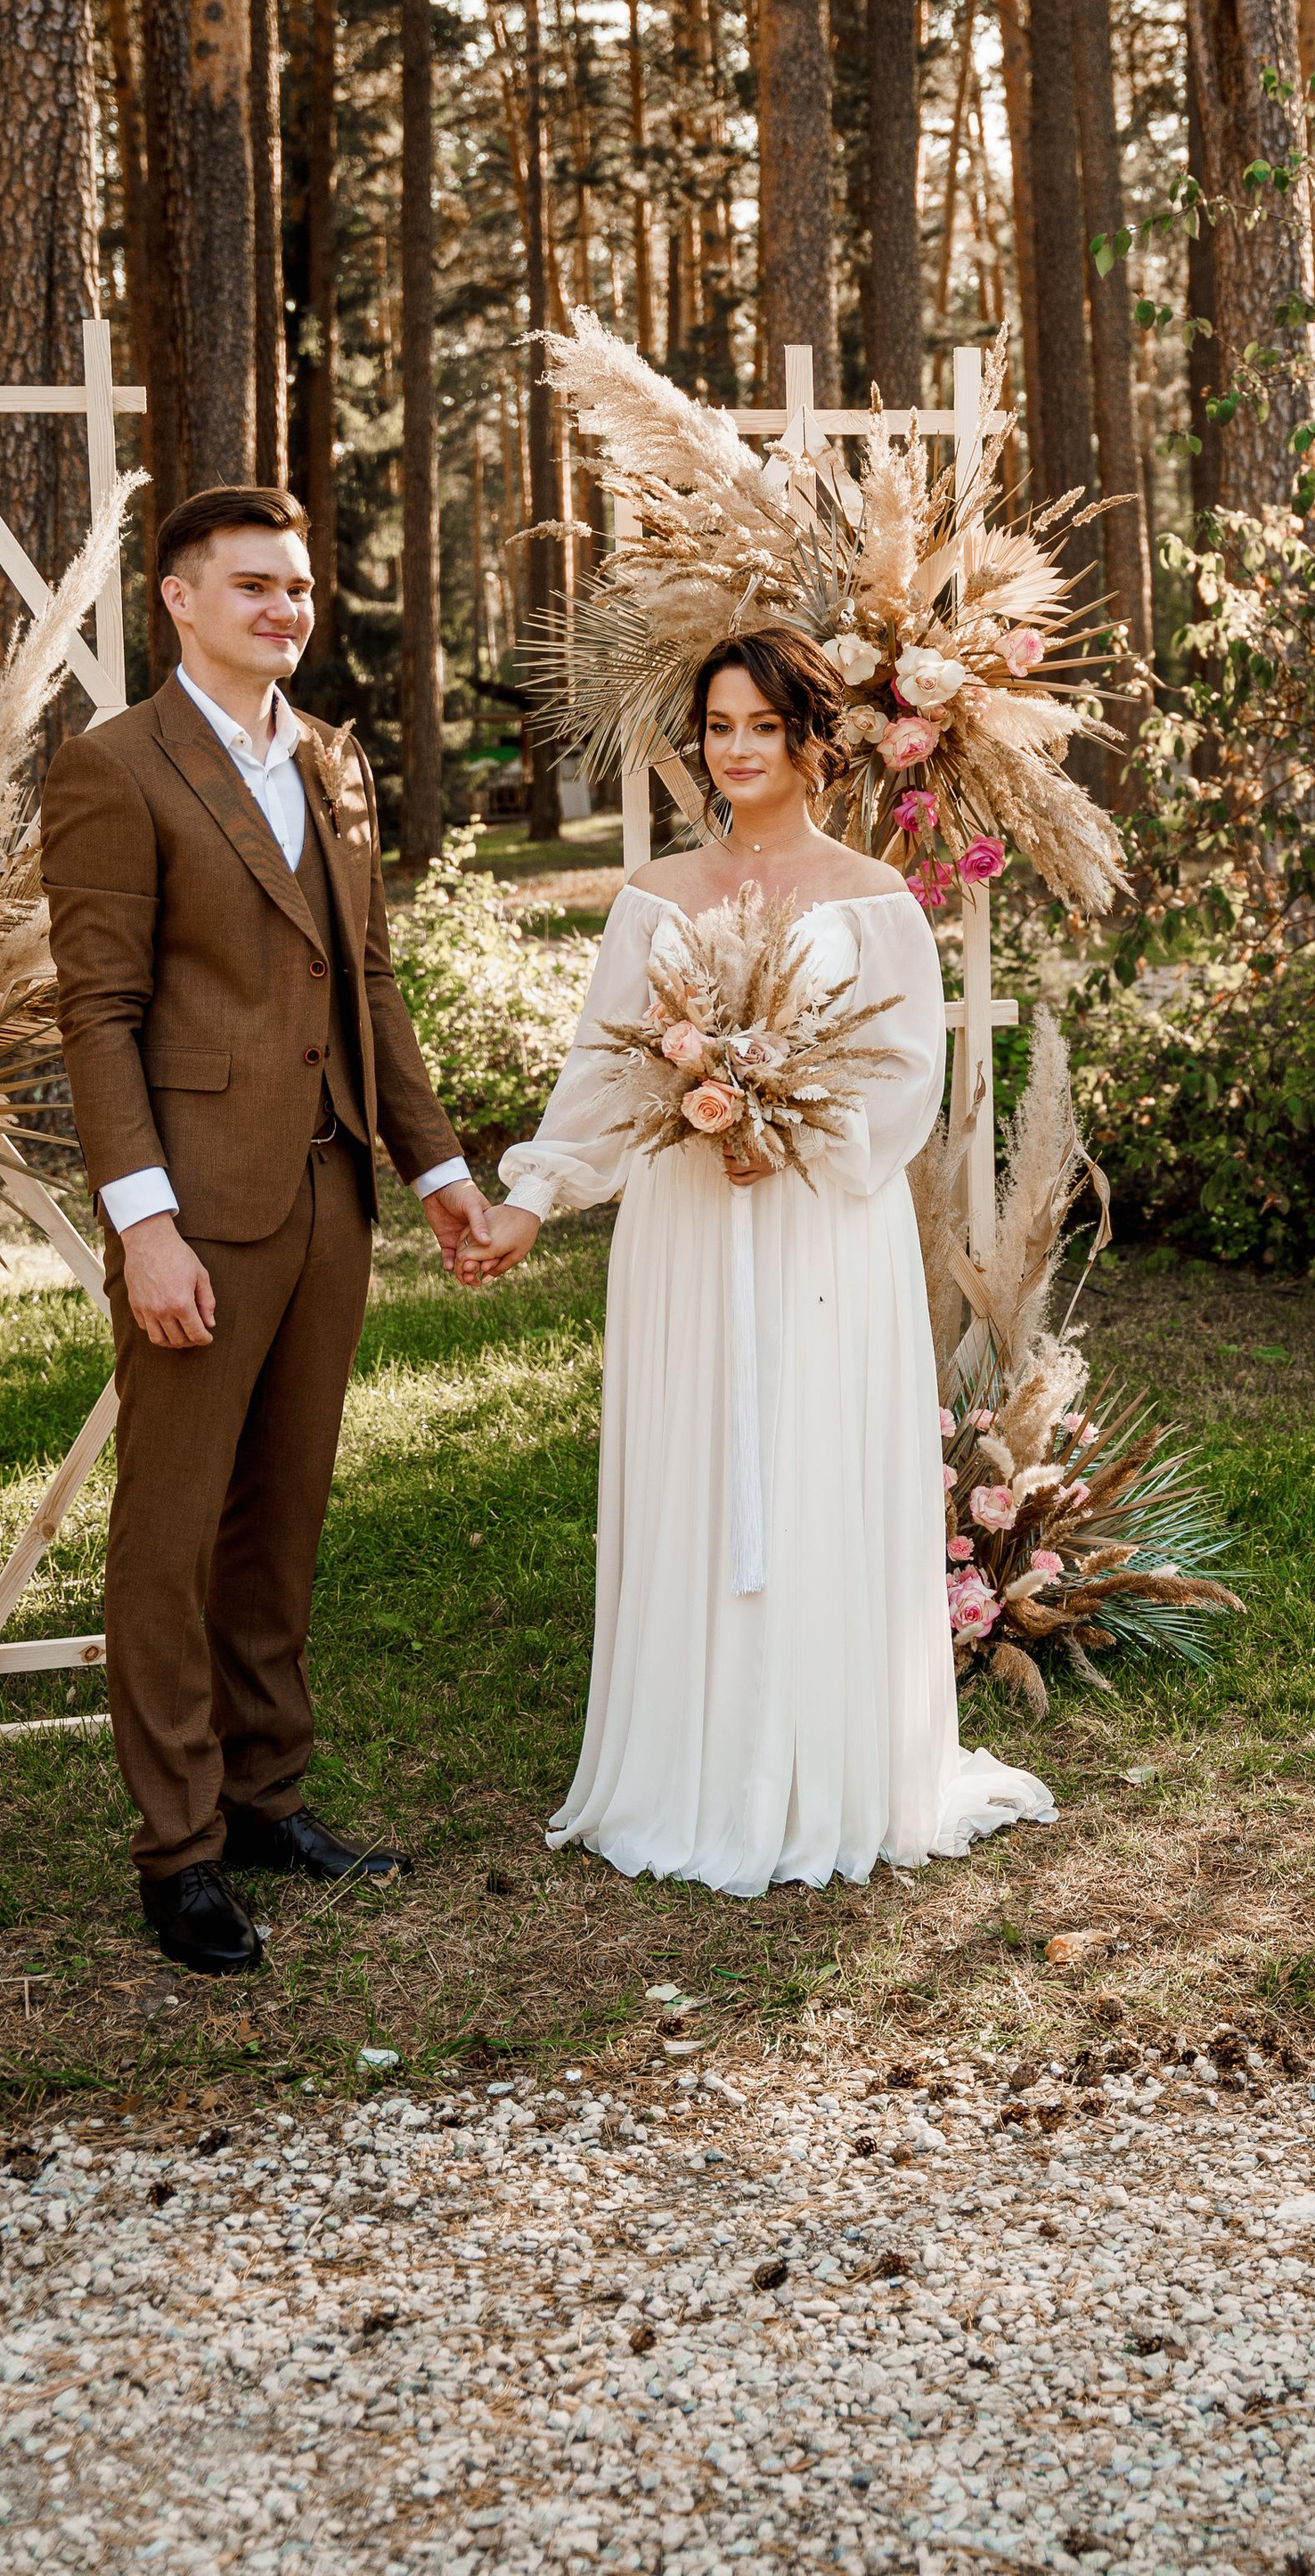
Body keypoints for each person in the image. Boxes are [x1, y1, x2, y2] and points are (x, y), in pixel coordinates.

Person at [466, 625, 1055, 1893]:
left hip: (819, 1232)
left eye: (762, 729)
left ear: (809, 744)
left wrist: (788, 1137)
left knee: (809, 1457)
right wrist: (531, 1200)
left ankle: (829, 1759)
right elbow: (598, 1074)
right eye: (719, 728)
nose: (736, 751)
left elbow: (908, 1076)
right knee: (699, 1464)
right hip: (683, 1231)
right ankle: (688, 1763)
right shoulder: (653, 897)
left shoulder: (872, 897)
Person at [41, 486, 494, 1978]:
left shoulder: (334, 762)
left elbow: (368, 981)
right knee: (169, 1533)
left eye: (297, 589)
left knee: (281, 1519)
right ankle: (175, 1850)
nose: (285, 612)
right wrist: (145, 1226)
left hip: (326, 1198)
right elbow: (96, 1015)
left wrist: (434, 1173)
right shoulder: (117, 768)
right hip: (196, 1208)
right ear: (177, 600)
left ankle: (262, 1800)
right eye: (253, 588)